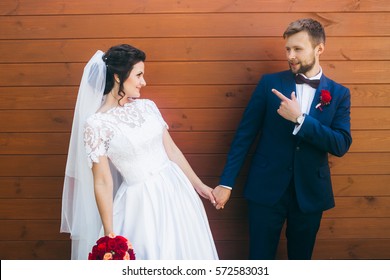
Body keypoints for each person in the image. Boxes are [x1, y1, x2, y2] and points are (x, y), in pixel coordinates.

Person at [61, 44, 218, 260]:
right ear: (118, 77)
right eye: (139, 75)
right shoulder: (96, 124)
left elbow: (171, 150)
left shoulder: (148, 107)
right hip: (142, 204)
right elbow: (103, 181)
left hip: (176, 190)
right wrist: (109, 235)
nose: (144, 82)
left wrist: (198, 185)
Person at [212, 18, 352, 259]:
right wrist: (226, 183)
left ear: (319, 49)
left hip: (310, 194)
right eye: (288, 49)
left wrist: (301, 120)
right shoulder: (269, 84)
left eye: (298, 49)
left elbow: (340, 144)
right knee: (259, 261)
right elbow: (244, 136)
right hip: (265, 190)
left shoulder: (339, 94)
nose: (290, 55)